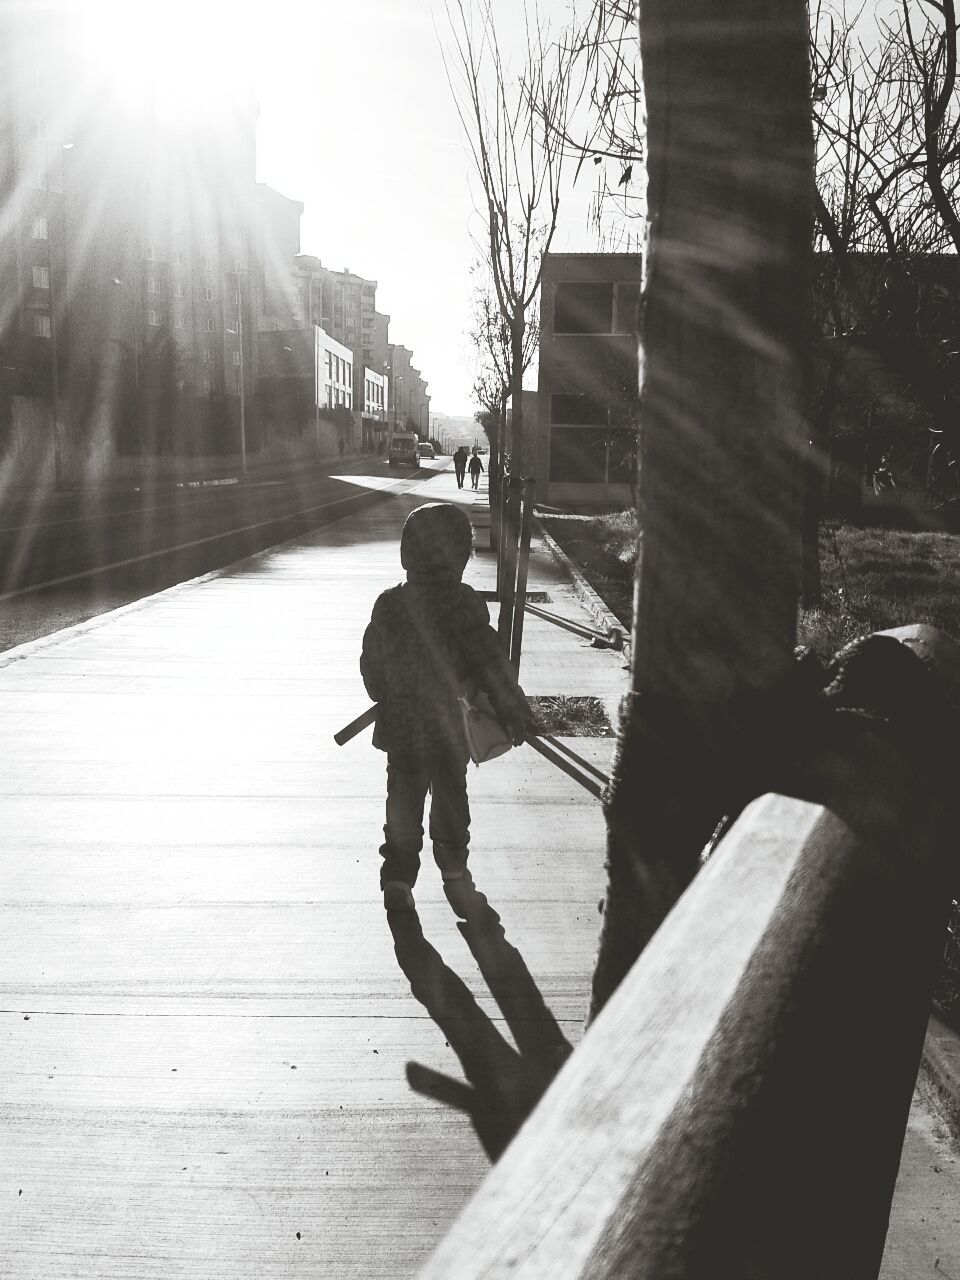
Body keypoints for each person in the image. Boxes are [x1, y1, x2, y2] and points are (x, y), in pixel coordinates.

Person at [360, 502, 534, 912]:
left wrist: (387, 691)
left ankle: (399, 876)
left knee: (402, 799)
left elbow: (372, 671)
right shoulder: (465, 605)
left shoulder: (388, 605)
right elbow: (490, 663)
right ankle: (454, 867)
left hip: (401, 729)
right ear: (459, 556)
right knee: (451, 796)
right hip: (449, 728)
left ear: (407, 554)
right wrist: (512, 709)